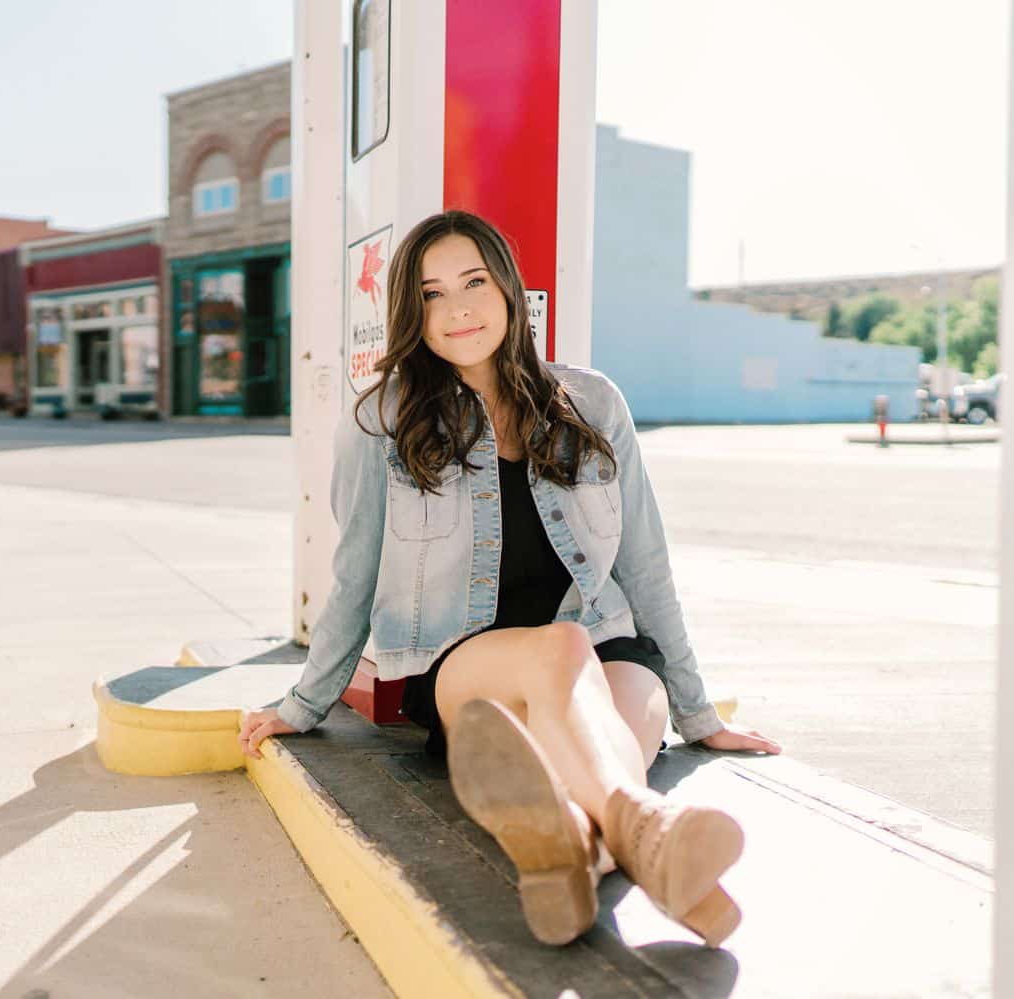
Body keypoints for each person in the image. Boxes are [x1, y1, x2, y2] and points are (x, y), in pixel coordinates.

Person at [237, 209, 781, 948]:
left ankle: (585, 852)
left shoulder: (592, 404)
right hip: (466, 665)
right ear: (411, 312)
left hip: (605, 643)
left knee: (609, 718)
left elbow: (645, 564)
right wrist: (304, 703)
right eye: (430, 294)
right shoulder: (381, 422)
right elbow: (355, 575)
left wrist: (698, 715)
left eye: (474, 282)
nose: (456, 307)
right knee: (560, 651)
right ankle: (650, 832)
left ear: (510, 292)